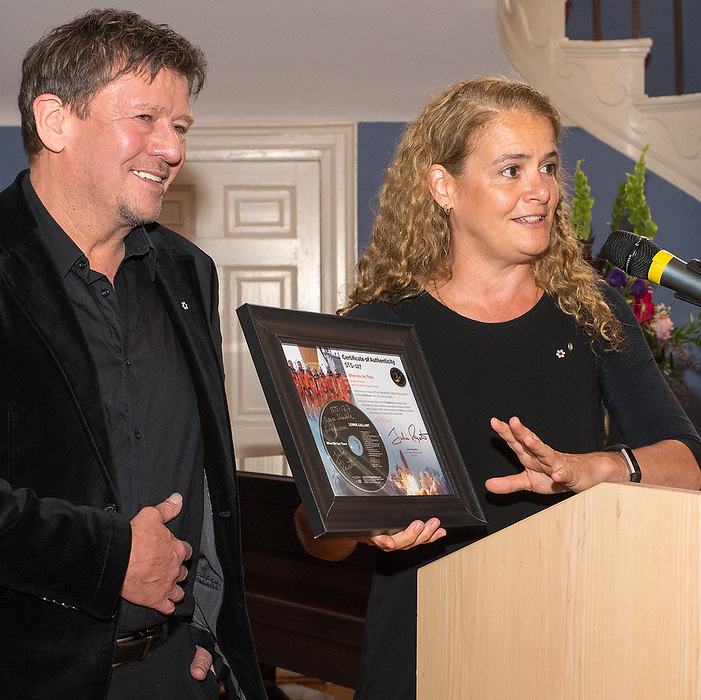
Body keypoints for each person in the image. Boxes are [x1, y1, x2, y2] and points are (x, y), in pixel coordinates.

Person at [294, 77, 701, 699]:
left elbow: (686, 463)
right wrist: (359, 526)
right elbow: (314, 535)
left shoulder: (591, 315)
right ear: (443, 187)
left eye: (547, 167)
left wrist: (590, 469)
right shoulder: (376, 329)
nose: (540, 190)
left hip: (573, 642)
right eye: (511, 170)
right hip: (423, 651)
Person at [0, 9, 266, 699]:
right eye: (147, 119)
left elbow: (205, 471)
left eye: (180, 126)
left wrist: (211, 626)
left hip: (171, 670)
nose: (172, 148)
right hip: (7, 675)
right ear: (54, 121)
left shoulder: (190, 273)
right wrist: (111, 558)